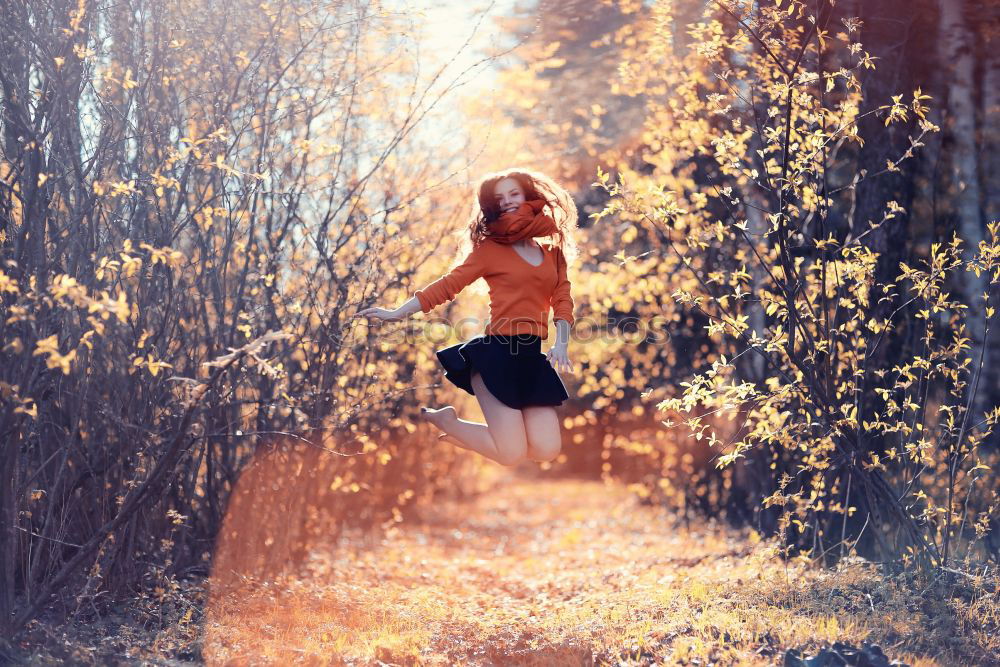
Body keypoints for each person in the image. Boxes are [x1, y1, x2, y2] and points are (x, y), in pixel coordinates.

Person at [355, 168, 579, 467]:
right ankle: (451, 423)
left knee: (547, 449)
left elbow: (562, 300)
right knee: (511, 455)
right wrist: (397, 313)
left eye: (514, 193)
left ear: (528, 195)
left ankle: (475, 438)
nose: (509, 202)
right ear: (492, 206)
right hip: (496, 356)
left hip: (531, 358)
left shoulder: (553, 251)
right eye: (500, 198)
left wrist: (561, 343)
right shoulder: (490, 250)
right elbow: (448, 285)